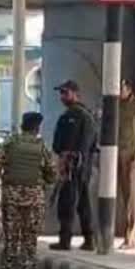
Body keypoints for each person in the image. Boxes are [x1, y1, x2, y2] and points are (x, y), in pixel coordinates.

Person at [0, 112, 57, 269]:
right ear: (37, 127)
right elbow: (51, 173)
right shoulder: (42, 147)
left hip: (11, 196)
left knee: (12, 238)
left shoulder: (10, 143)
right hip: (33, 198)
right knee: (29, 239)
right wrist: (42, 185)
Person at [50, 80, 98, 251]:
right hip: (82, 166)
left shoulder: (75, 116)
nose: (62, 96)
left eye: (65, 92)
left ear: (76, 94)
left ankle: (65, 240)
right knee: (83, 203)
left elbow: (64, 144)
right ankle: (89, 238)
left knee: (67, 202)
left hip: (72, 165)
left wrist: (68, 159)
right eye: (61, 93)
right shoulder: (86, 115)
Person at [117, 79, 135, 250]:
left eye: (121, 88)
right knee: (119, 196)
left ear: (128, 89)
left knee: (130, 197)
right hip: (113, 155)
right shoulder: (112, 105)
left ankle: (130, 236)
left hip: (130, 155)